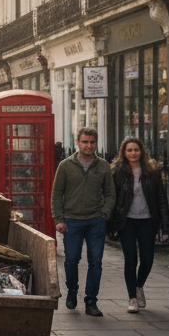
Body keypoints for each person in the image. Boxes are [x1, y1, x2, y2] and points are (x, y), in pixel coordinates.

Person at [51, 127, 116, 317]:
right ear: (78, 142)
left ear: (96, 143)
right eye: (85, 142)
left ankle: (91, 301)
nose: (89, 146)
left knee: (95, 262)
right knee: (71, 260)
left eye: (92, 142)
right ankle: (72, 290)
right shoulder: (65, 165)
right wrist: (59, 220)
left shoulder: (103, 166)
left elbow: (110, 193)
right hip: (72, 221)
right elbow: (56, 194)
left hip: (96, 220)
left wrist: (104, 214)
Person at [109, 138, 169, 314]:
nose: (133, 153)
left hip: (147, 220)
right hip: (126, 220)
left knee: (148, 259)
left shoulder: (152, 171)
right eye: (129, 150)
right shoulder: (118, 172)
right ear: (124, 153)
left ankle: (139, 286)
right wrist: (111, 225)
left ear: (142, 151)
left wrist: (165, 226)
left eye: (136, 150)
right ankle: (132, 298)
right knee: (130, 259)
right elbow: (113, 199)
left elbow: (161, 199)